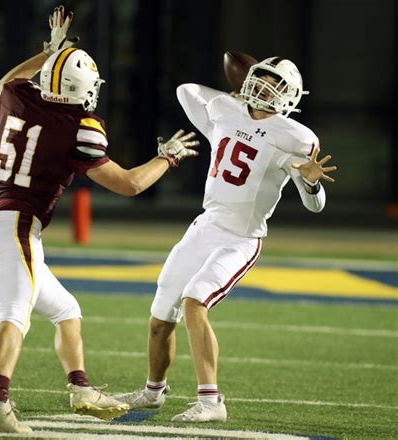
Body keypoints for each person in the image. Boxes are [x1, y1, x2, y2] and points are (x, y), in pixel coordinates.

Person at [0, 5, 199, 433]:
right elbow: (129, 184)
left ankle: (81, 389)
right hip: (16, 227)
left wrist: (51, 50)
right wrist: (166, 157)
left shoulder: (17, 96)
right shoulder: (80, 125)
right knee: (14, 316)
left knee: (66, 310)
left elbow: (7, 79)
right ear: (87, 89)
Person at [113, 56, 337, 422]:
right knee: (159, 318)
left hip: (240, 238)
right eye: (260, 79)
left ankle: (211, 402)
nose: (264, 87)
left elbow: (315, 205)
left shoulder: (296, 136)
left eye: (274, 83)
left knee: (195, 302)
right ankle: (153, 393)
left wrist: (310, 180)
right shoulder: (224, 110)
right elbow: (187, 92)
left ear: (290, 95)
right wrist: (231, 94)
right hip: (205, 226)